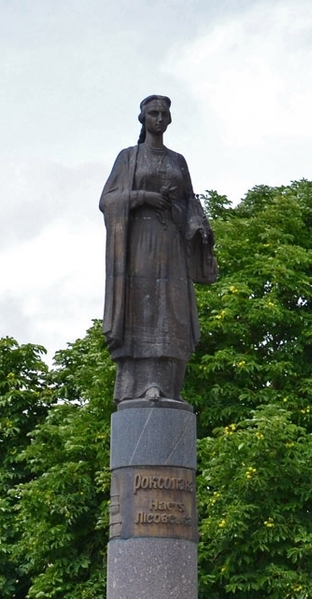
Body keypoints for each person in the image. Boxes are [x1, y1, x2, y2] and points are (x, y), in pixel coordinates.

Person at [99, 94, 217, 405]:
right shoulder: (128, 157)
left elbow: (191, 200)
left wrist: (199, 226)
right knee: (143, 309)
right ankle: (140, 385)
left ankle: (169, 386)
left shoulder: (178, 160)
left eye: (164, 113)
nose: (160, 118)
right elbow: (108, 200)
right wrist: (142, 197)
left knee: (172, 312)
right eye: (154, 113)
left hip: (173, 244)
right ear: (143, 118)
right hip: (140, 245)